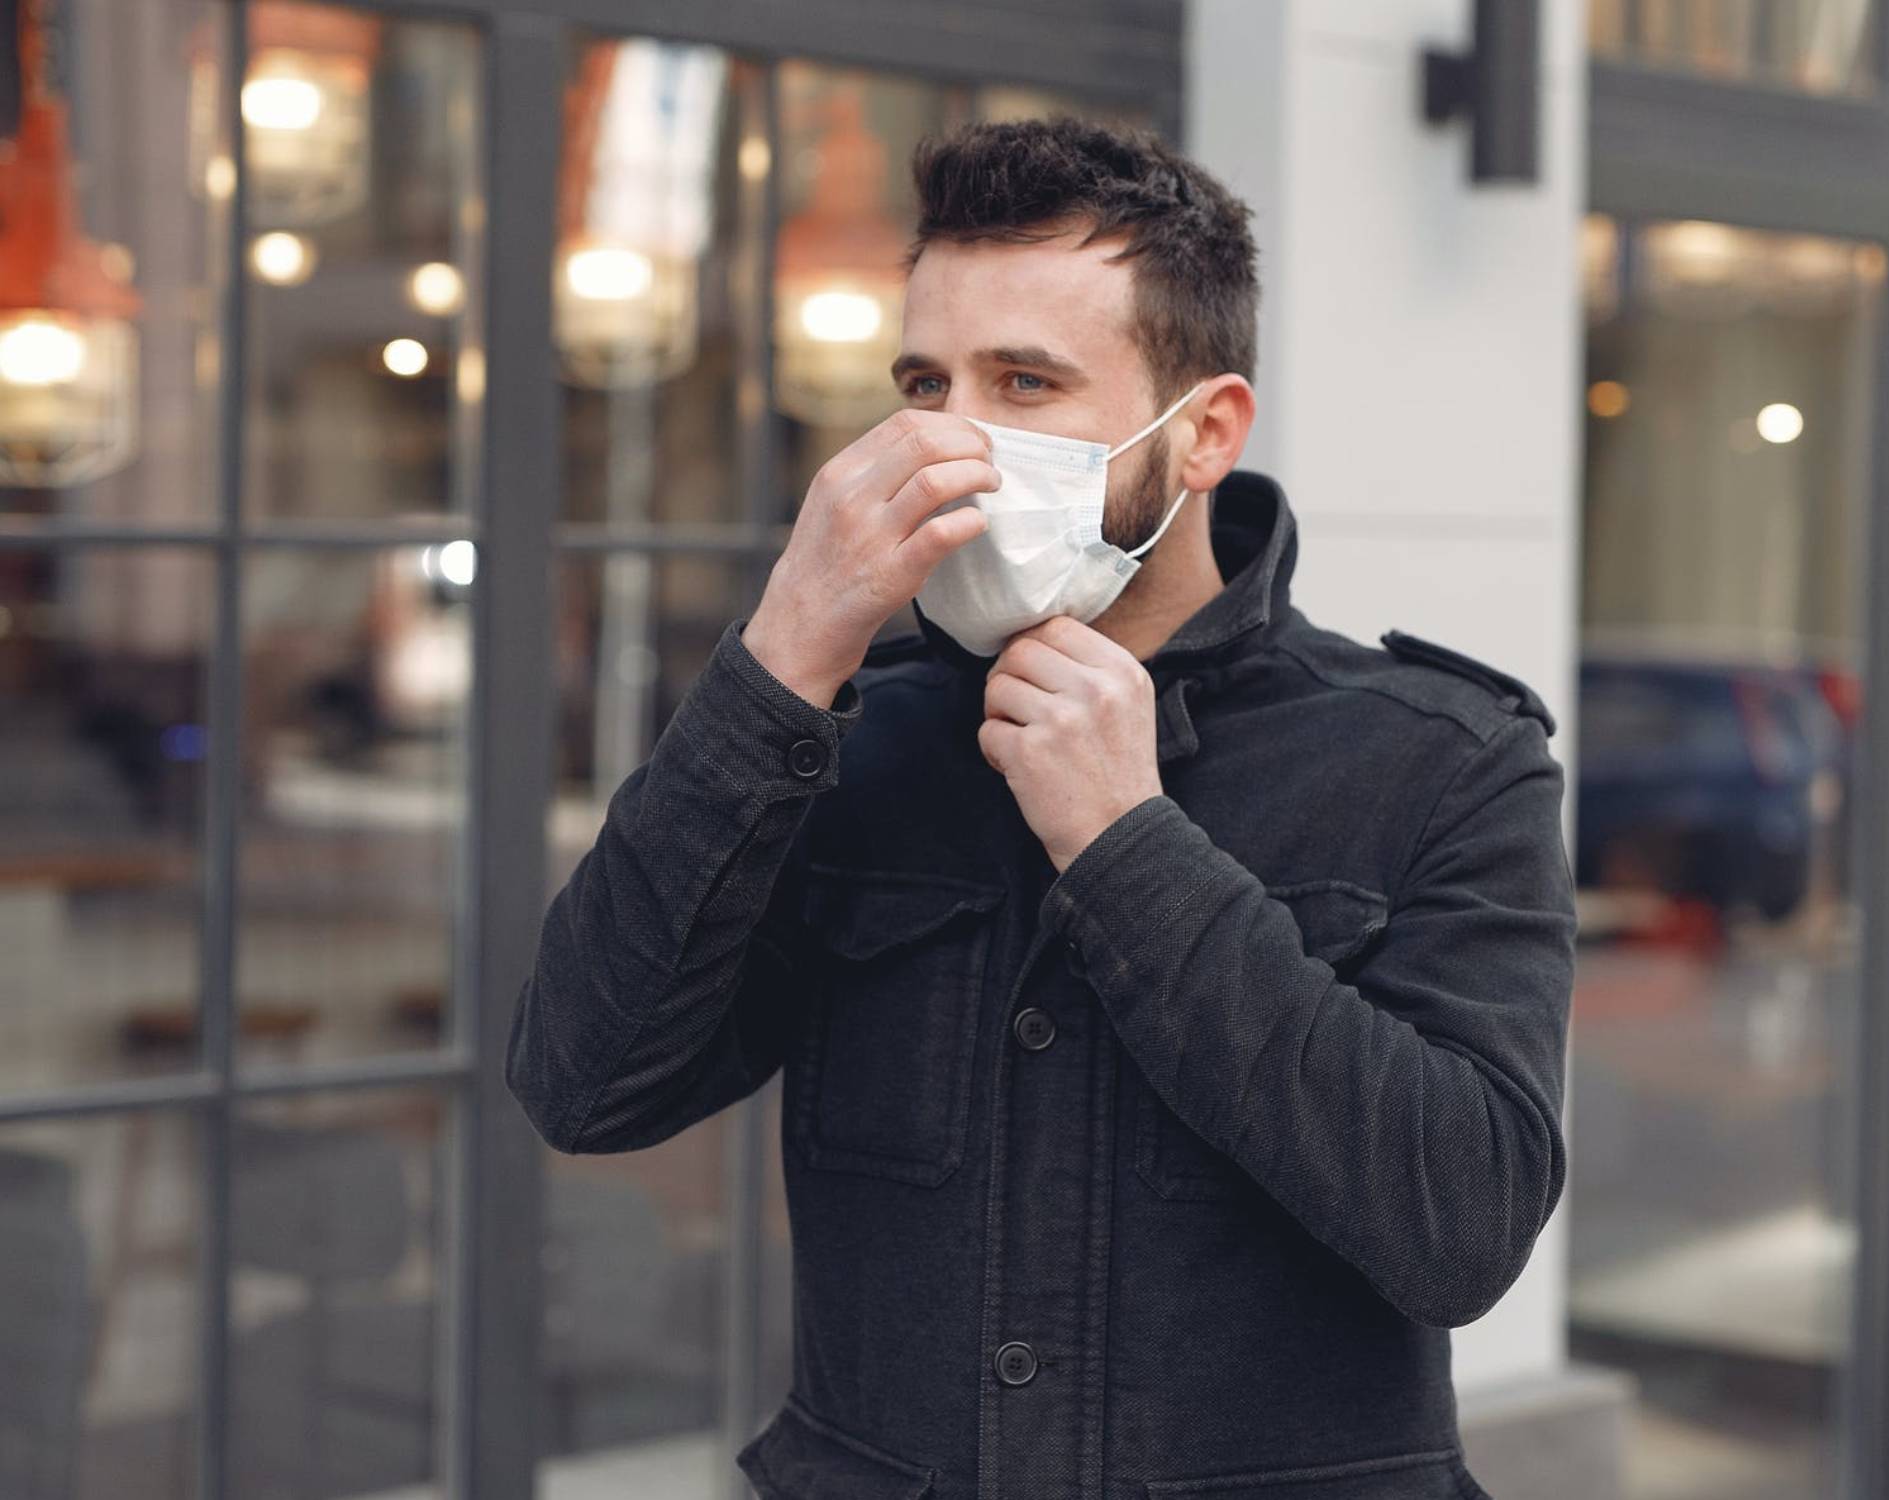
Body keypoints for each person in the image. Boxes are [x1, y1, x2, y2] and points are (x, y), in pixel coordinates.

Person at [505, 115, 1576, 1500]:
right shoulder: (847, 732)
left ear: (1205, 434)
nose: (953, 441)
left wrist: (1132, 849)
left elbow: (1461, 1227)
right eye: (925, 383)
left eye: (1025, 382)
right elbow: (584, 1083)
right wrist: (776, 665)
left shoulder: (1439, 758)